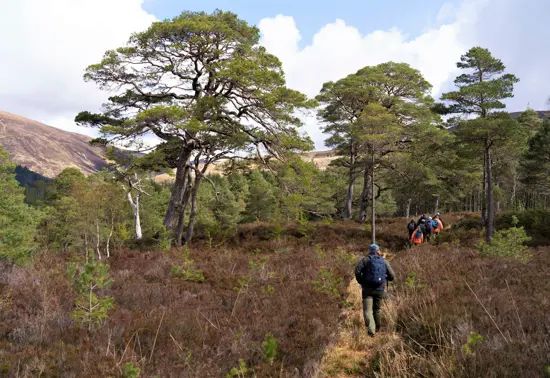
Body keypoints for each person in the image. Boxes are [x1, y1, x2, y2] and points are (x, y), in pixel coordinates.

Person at [355, 244, 395, 337]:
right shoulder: (384, 261)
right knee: (377, 309)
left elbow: (357, 271)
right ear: (378, 251)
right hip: (380, 289)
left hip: (367, 289)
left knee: (367, 310)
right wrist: (386, 278)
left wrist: (361, 281)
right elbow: (392, 276)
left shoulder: (365, 260)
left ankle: (371, 331)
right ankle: (377, 327)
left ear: (369, 251)